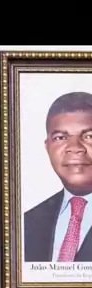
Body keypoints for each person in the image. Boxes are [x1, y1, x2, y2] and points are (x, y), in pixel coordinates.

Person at [24, 91, 92, 262]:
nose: (75, 148)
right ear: (48, 147)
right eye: (61, 137)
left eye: (89, 136)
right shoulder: (27, 223)